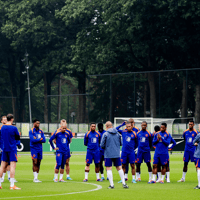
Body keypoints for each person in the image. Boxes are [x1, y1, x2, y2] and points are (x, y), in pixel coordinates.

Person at [100, 121, 129, 189]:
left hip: (108, 154)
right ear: (112, 126)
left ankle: (112, 185)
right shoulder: (118, 134)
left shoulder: (105, 134)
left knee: (109, 168)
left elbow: (101, 145)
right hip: (116, 153)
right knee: (119, 168)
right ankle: (124, 183)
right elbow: (121, 143)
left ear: (106, 126)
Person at [0, 114, 20, 190]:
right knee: (12, 166)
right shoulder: (14, 128)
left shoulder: (2, 127)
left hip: (5, 148)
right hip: (12, 149)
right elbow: (17, 137)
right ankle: (12, 185)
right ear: (12, 119)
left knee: (2, 166)